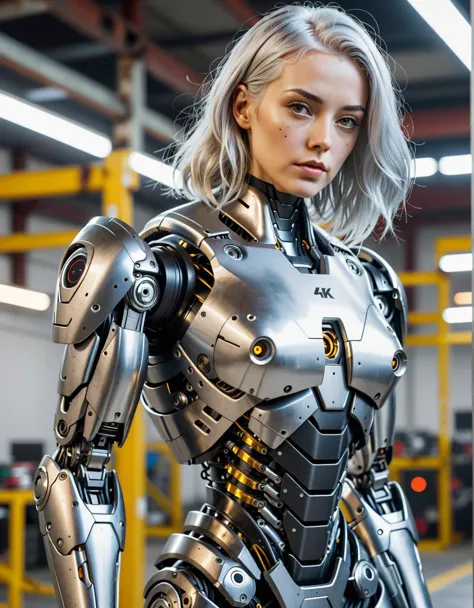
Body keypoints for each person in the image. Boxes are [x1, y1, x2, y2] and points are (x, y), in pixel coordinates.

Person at [34, 3, 432, 607]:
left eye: (348, 121)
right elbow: (79, 467)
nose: (324, 139)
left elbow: (372, 485)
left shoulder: (368, 280)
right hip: (227, 577)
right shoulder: (165, 264)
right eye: (300, 107)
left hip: (354, 581)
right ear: (244, 107)